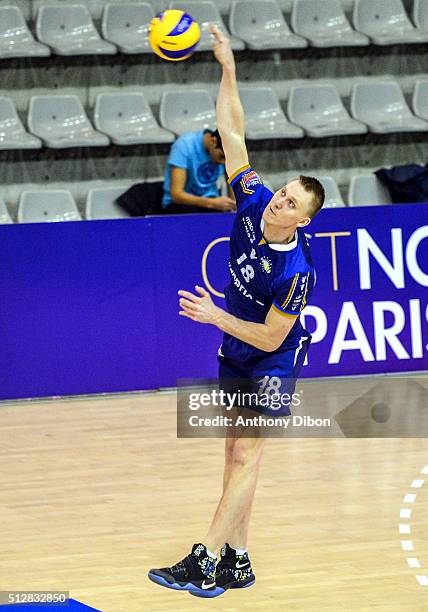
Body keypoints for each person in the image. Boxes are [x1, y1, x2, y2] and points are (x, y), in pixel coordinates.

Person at [148, 25, 325, 599]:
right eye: (284, 191)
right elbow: (233, 128)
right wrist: (227, 67)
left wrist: (214, 315)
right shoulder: (251, 197)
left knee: (247, 452)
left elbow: (275, 340)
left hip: (271, 361)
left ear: (302, 220)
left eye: (292, 202)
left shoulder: (296, 271)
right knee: (234, 454)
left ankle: (203, 559)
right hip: (235, 350)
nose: (280, 199)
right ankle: (240, 559)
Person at [162, 128, 236, 213]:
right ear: (213, 141)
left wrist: (235, 206)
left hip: (210, 202)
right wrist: (211, 203)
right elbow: (176, 195)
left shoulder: (226, 152)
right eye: (222, 157)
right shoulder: (183, 147)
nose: (224, 163)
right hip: (180, 204)